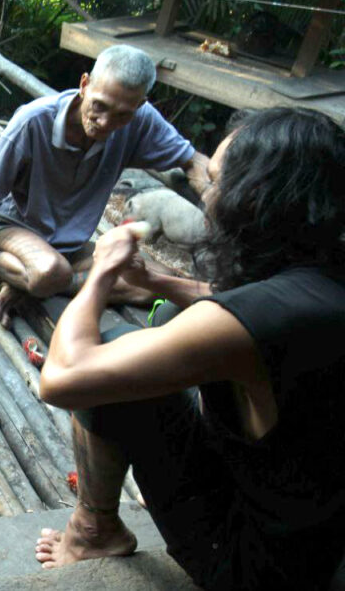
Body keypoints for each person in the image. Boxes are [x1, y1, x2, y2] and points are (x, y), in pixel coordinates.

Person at [33, 107, 345, 589]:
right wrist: (157, 281)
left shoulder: (264, 316)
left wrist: (100, 273)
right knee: (168, 315)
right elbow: (240, 311)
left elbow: (63, 377)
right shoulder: (320, 282)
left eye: (217, 181)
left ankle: (92, 531)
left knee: (116, 352)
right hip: (312, 534)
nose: (206, 193)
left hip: (255, 566)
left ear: (257, 196)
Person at [0, 44, 211, 325]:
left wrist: (214, 192)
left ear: (139, 106)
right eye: (99, 106)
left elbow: (194, 161)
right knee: (51, 271)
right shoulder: (34, 121)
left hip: (67, 245)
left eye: (121, 115)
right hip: (10, 227)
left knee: (158, 280)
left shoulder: (141, 120)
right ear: (84, 84)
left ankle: (24, 284)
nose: (104, 122)